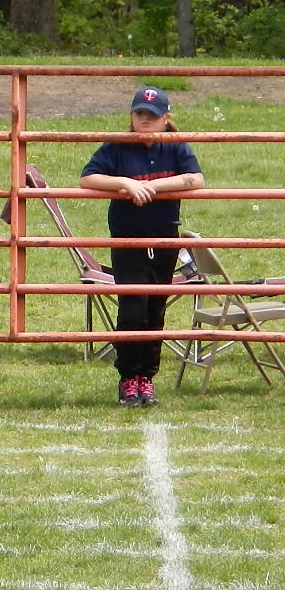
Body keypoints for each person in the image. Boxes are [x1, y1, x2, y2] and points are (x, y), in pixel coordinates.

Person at [80, 87, 204, 408]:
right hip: (129, 240)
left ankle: (146, 377)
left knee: (155, 310)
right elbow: (88, 178)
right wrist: (125, 183)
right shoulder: (117, 146)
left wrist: (153, 186)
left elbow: (195, 179)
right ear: (132, 116)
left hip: (164, 239)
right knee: (133, 308)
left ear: (166, 118)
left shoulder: (175, 145)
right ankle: (128, 377)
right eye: (140, 114)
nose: (145, 120)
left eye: (152, 115)